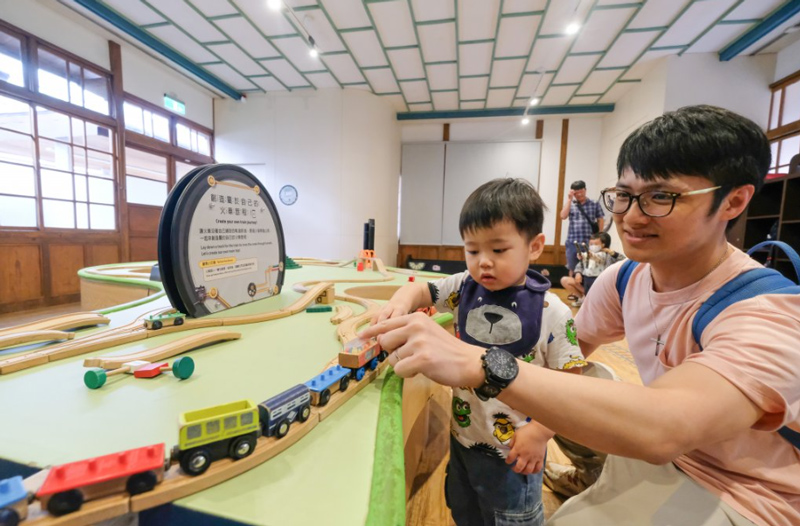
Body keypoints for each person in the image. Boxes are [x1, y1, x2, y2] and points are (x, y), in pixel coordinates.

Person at [363, 105, 800, 525]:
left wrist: (480, 364)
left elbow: (667, 426)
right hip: (658, 457)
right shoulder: (625, 278)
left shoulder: (768, 312)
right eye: (624, 195)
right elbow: (573, 361)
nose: (630, 215)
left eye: (660, 197)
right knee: (591, 379)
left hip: (749, 492)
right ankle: (594, 477)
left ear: (734, 201)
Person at [372, 178, 587, 526]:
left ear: (534, 247)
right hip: (464, 438)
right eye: (472, 251)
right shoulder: (463, 288)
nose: (483, 262)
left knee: (510, 518)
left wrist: (541, 433)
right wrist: (400, 302)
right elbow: (421, 291)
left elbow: (571, 382)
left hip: (516, 450)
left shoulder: (551, 310)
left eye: (498, 250)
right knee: (464, 508)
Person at [560, 181, 605, 299]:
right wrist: (569, 199)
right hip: (572, 242)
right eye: (576, 193)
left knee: (587, 268)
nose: (579, 195)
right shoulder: (572, 204)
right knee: (572, 267)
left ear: (585, 190)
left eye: (581, 192)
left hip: (588, 243)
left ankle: (588, 294)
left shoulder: (594, 203)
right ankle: (575, 294)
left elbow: (600, 219)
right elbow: (562, 216)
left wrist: (600, 235)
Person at [560, 232, 624, 306]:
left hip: (601, 284)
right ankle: (582, 299)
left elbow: (623, 259)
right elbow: (580, 265)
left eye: (596, 244)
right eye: (591, 244)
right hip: (587, 281)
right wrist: (578, 273)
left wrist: (613, 253)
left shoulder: (610, 255)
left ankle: (594, 301)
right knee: (565, 280)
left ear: (603, 244)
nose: (593, 246)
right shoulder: (588, 253)